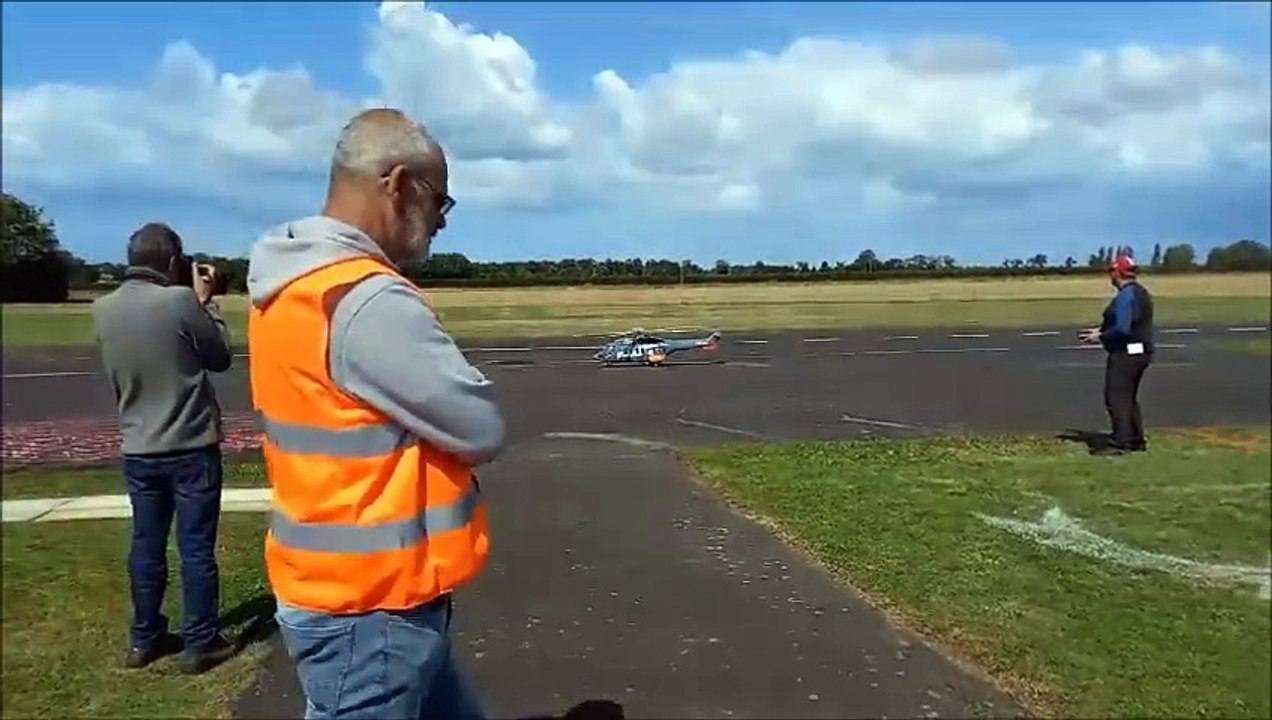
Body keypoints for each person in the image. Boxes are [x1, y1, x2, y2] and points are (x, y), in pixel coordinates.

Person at [245, 108, 505, 719]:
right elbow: (480, 424)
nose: (441, 219)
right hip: (373, 610)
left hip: (345, 588)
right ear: (396, 184)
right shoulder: (365, 298)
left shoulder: (293, 284)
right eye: (439, 200)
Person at [90, 222, 238, 674]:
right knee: (195, 547)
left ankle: (145, 638)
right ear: (174, 263)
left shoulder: (103, 308)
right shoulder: (179, 301)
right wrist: (204, 304)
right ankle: (201, 641)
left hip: (138, 444)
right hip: (190, 443)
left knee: (146, 544)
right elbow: (219, 356)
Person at [1079, 252, 1155, 455]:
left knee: (1116, 397)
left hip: (1125, 353)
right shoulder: (1140, 293)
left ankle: (1121, 442)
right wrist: (1101, 330)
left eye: (1112, 271)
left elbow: (1122, 328)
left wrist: (1101, 337)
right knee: (1128, 397)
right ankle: (1136, 438)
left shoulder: (1125, 296)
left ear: (1117, 273)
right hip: (1141, 352)